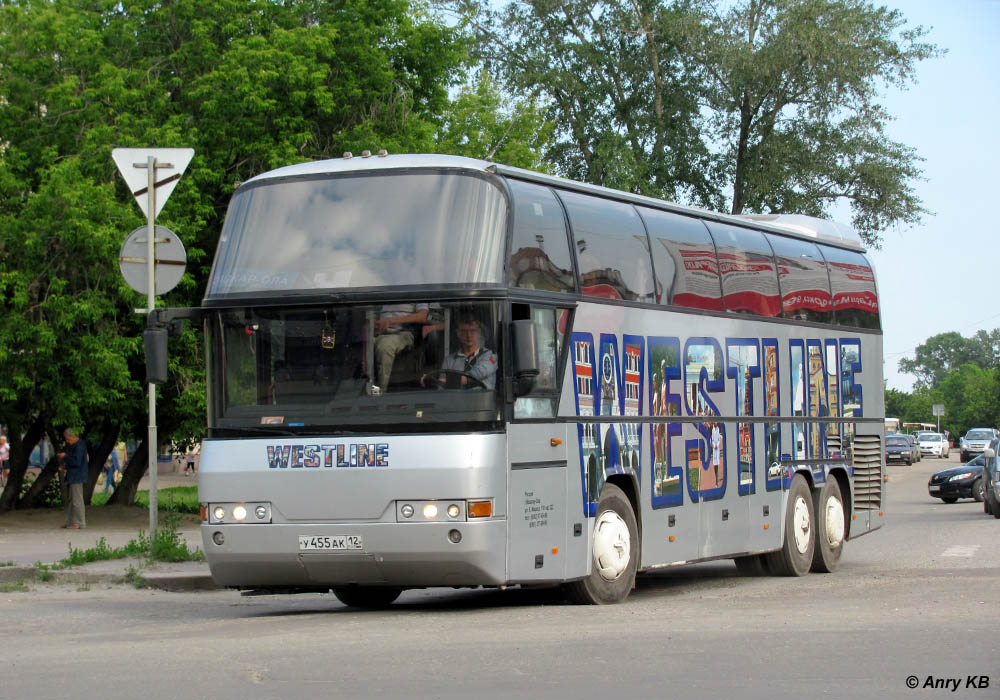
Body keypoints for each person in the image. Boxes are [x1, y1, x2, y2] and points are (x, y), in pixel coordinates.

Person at [423, 316, 497, 390]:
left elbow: (476, 374)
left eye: (473, 331)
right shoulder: (449, 360)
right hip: (455, 400)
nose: (468, 335)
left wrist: (439, 381)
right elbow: (441, 389)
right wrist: (433, 382)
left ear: (479, 333)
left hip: (481, 400)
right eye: (464, 331)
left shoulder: (490, 356)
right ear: (458, 333)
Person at [372, 303, 429, 391]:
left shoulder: (416, 290)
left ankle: (380, 393)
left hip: (402, 333)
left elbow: (422, 316)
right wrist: (374, 322)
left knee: (386, 346)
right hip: (378, 333)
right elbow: (372, 314)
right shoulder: (381, 291)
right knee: (364, 344)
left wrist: (391, 321)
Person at [57, 428, 88, 529]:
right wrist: (65, 466)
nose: (67, 441)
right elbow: (74, 462)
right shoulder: (76, 446)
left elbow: (76, 462)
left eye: (68, 438)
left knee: (77, 500)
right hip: (74, 475)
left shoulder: (79, 446)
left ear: (73, 436)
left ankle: (80, 523)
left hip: (77, 476)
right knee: (72, 500)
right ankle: (71, 522)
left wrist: (65, 456)